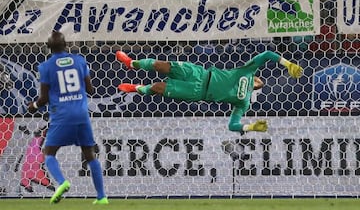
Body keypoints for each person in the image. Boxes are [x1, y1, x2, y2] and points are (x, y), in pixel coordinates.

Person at [116, 50, 303, 135]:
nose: (260, 80)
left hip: (198, 92)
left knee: (158, 88)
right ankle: (132, 63)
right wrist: (288, 64)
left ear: (256, 88)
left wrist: (250, 127)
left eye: (260, 83)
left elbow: (233, 125)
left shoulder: (243, 102)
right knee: (160, 65)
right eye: (259, 78)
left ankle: (137, 89)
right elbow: (267, 55)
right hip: (200, 73)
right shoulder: (246, 71)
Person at [27, 31, 108, 205]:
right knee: (90, 155)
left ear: (49, 47)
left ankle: (62, 182)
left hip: (61, 116)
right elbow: (91, 90)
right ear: (66, 45)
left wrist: (33, 106)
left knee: (49, 153)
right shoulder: (79, 61)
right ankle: (102, 197)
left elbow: (44, 98)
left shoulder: (46, 67)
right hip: (81, 114)